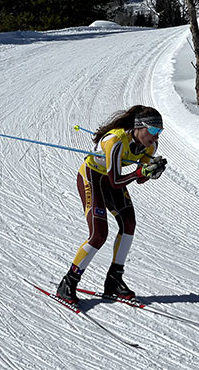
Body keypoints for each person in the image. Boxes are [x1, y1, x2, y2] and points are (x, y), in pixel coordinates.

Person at [57, 105, 167, 304]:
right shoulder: (115, 141)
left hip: (111, 179)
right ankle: (68, 282)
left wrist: (151, 172)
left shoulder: (150, 146)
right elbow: (116, 181)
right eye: (153, 131)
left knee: (129, 223)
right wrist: (140, 173)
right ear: (139, 127)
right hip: (92, 177)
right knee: (99, 234)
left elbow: (139, 179)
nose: (156, 136)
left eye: (159, 132)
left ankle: (114, 280)